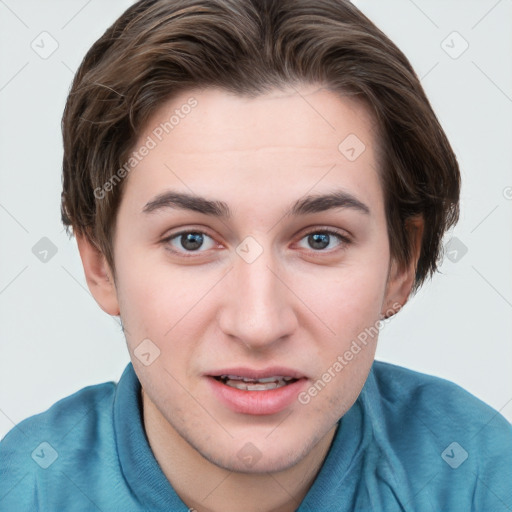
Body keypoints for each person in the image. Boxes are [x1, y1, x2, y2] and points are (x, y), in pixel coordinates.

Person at [1, 0, 511, 510]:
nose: (259, 324)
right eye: (191, 240)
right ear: (100, 263)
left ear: (401, 263)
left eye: (320, 239)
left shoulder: (480, 474)